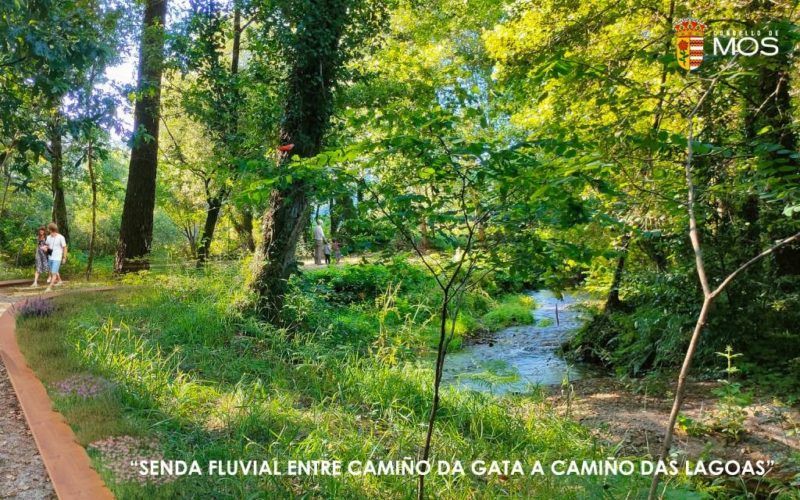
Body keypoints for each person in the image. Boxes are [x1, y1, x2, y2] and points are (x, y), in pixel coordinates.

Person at [44, 222, 67, 291]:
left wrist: (64, 257)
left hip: (57, 258)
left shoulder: (61, 237)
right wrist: (45, 248)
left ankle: (49, 287)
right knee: (52, 272)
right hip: (50, 257)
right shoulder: (48, 237)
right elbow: (47, 246)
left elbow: (65, 247)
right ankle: (58, 282)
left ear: (51, 229)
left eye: (49, 229)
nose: (48, 230)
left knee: (54, 273)